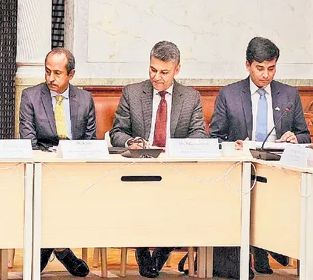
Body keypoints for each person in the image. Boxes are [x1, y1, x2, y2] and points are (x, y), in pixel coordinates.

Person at [209, 36, 310, 274]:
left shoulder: (289, 94)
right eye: (260, 68)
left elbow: (305, 136)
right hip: (241, 172)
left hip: (280, 171)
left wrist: (295, 139)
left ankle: (274, 244)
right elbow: (215, 138)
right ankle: (258, 249)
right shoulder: (230, 94)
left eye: (271, 68)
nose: (266, 75)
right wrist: (233, 146)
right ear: (248, 65)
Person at [109, 41, 207, 278]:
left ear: (177, 70)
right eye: (153, 70)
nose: (157, 77)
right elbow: (117, 132)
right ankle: (142, 250)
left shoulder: (190, 97)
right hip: (139, 170)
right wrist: (130, 142)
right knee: (138, 196)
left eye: (164, 72)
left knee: (190, 198)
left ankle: (163, 249)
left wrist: (177, 149)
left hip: (175, 171)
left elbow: (199, 135)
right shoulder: (132, 93)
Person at [19, 47, 92, 277]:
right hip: (42, 170)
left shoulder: (85, 99)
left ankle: (51, 250)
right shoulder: (30, 97)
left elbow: (89, 142)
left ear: (71, 74)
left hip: (74, 172)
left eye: (57, 73)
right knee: (47, 198)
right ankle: (63, 251)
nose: (51, 78)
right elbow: (29, 142)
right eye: (47, 71)